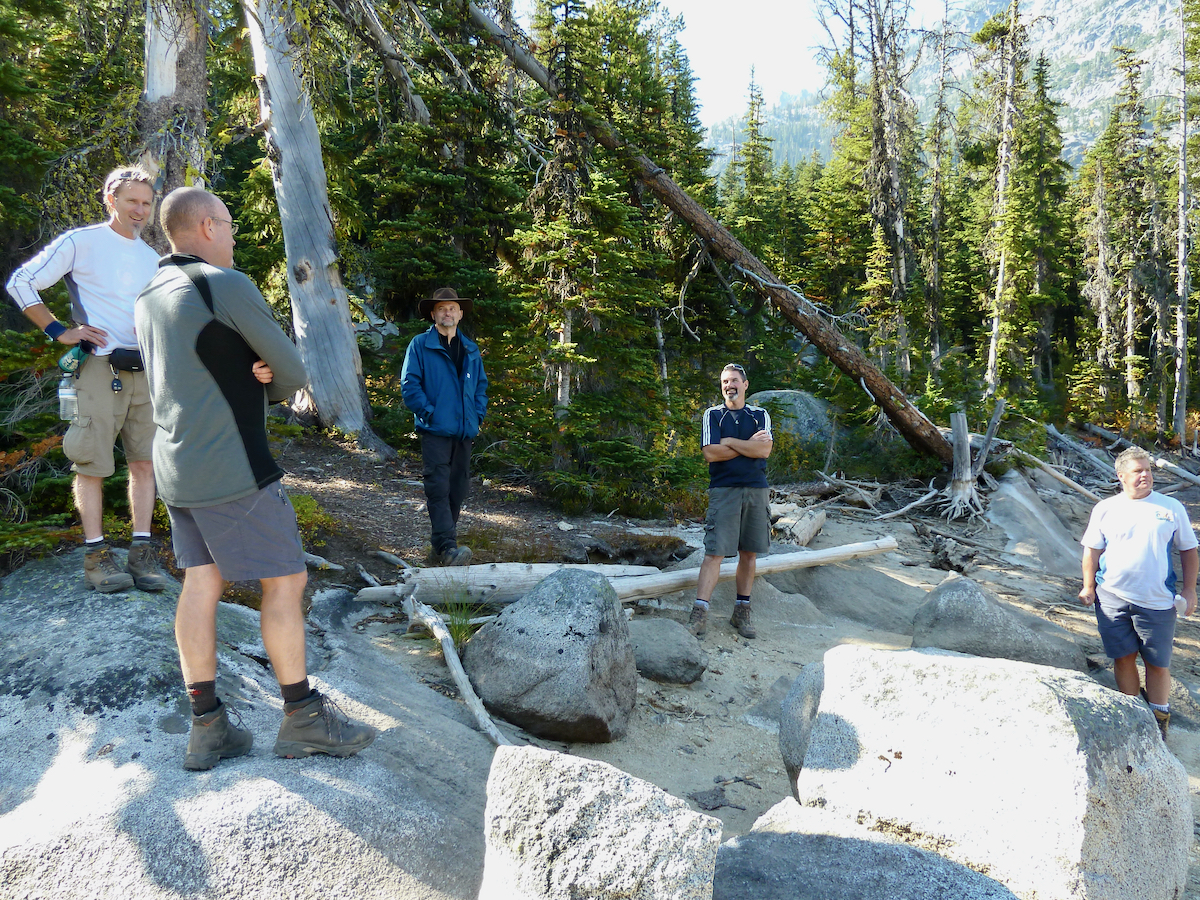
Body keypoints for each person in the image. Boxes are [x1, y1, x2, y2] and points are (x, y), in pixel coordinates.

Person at [135, 186, 375, 770]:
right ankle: (302, 717)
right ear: (208, 227)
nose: (236, 233)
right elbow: (293, 372)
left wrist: (246, 372)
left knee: (201, 583)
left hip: (176, 465)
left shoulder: (149, 292)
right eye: (230, 221)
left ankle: (207, 726)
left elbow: (190, 370)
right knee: (286, 582)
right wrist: (265, 380)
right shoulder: (222, 285)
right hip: (233, 465)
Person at [6, 167, 168, 593]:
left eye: (146, 203)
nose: (139, 210)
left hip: (146, 372)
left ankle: (140, 554)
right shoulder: (82, 242)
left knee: (145, 463)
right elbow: (21, 282)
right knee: (91, 462)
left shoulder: (152, 258)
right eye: (132, 200)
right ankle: (96, 558)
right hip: (98, 367)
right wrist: (59, 331)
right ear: (110, 199)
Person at [1079, 446, 1198, 739]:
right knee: (1123, 657)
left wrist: (1190, 590)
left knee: (1157, 663)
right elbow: (1091, 551)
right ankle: (1132, 714)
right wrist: (1088, 586)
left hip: (1157, 600)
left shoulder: (1171, 508)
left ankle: (1159, 719)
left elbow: (1189, 549)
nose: (1145, 475)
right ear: (1121, 476)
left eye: (1148, 470)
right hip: (1112, 597)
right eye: (1137, 471)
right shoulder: (1105, 508)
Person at [401, 287, 488, 566]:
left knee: (457, 489)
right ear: (433, 313)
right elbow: (410, 385)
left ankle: (439, 548)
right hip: (435, 430)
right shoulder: (420, 345)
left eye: (452, 308)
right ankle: (448, 547)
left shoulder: (471, 350)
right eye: (441, 308)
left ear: (460, 314)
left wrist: (476, 417)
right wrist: (429, 413)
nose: (447, 312)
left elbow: (481, 389)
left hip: (464, 432)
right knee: (437, 487)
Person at [688, 363, 773, 640]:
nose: (729, 385)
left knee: (749, 552)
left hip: (756, 490)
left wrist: (731, 442)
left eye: (734, 380)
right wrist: (747, 445)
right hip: (724, 490)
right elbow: (711, 453)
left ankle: (742, 610)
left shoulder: (760, 415)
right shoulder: (712, 415)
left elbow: (764, 450)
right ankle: (700, 612)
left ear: (746, 384)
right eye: (725, 381)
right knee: (715, 552)